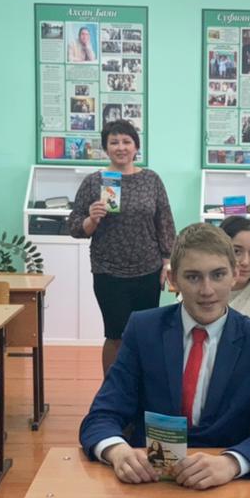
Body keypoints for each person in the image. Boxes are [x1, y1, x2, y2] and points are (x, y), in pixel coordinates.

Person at [79, 224, 250, 487]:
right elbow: (102, 414)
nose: (207, 290)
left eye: (218, 275)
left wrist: (232, 463)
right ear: (173, 280)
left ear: (235, 274)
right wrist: (117, 451)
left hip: (224, 482)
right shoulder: (143, 330)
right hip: (149, 480)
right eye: (193, 277)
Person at [68, 120, 176, 374]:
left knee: (146, 334)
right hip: (108, 271)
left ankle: (143, 388)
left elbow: (164, 221)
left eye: (127, 141)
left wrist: (168, 262)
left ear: (136, 147)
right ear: (106, 148)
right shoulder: (94, 182)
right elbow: (74, 227)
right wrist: (92, 219)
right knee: (115, 335)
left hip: (148, 270)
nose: (121, 147)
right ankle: (112, 390)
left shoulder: (151, 179)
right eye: (114, 142)